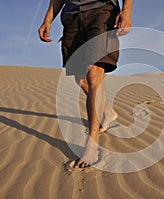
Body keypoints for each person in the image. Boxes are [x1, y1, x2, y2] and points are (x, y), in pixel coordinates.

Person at [38, 0, 132, 168]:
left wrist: (126, 11)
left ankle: (92, 144)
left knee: (93, 74)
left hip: (102, 11)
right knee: (80, 78)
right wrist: (47, 20)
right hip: (71, 17)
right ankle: (108, 112)